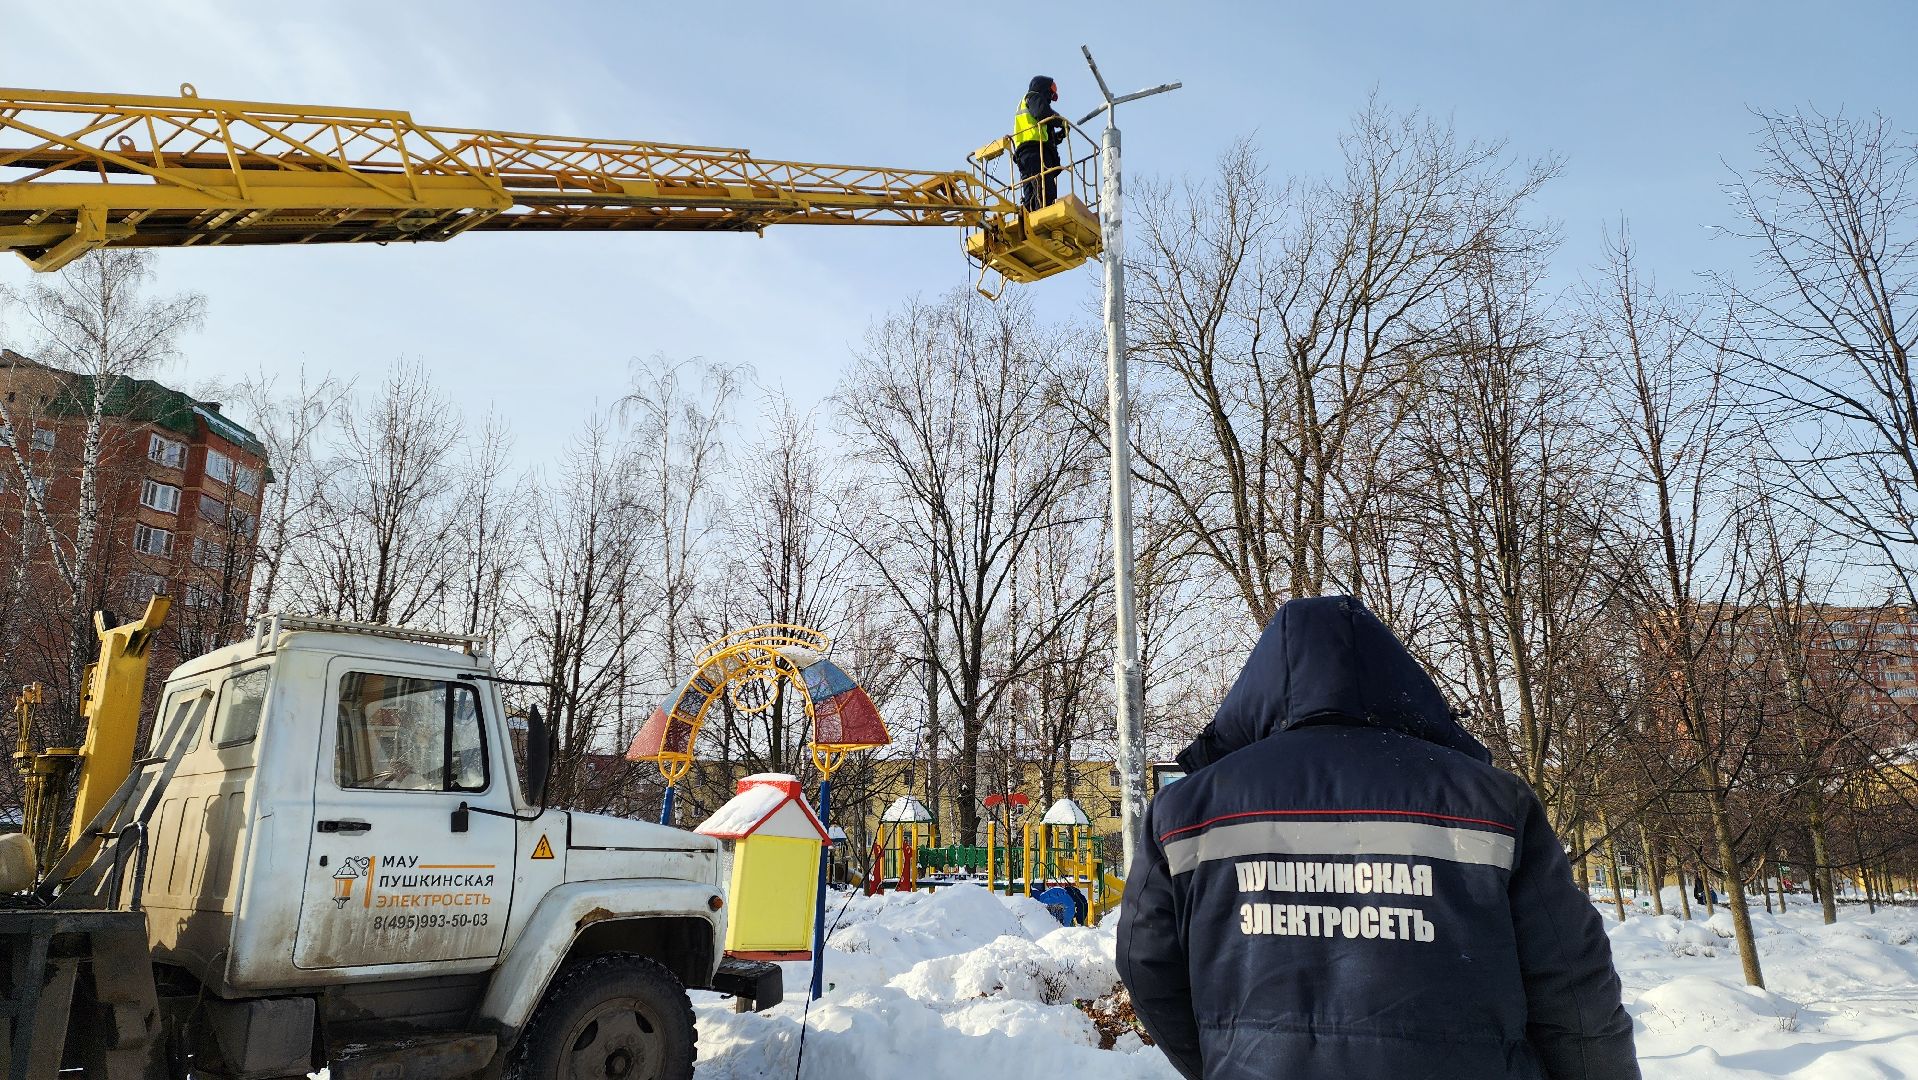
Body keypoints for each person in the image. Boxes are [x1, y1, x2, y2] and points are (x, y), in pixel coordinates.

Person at [1117, 595, 1639, 1080]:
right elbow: (1572, 985)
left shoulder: (1186, 812)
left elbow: (1147, 968)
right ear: (1394, 681)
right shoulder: (1490, 802)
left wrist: (1223, 1056)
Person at [1013, 75, 1066, 211]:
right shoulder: (1034, 97)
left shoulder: (1028, 102)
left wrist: (1058, 136)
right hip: (1036, 151)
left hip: (1026, 153)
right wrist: (1060, 121)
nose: (1050, 100)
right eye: (1050, 94)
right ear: (1044, 89)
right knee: (1045, 188)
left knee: (1031, 191)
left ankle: (1029, 217)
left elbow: (1043, 126)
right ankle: (1044, 214)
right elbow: (1043, 113)